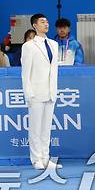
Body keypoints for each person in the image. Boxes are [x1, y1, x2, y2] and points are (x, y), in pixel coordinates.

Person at [21, 13, 61, 170]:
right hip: (36, 92)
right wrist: (28, 93)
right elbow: (26, 72)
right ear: (34, 26)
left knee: (46, 128)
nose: (46, 24)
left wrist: (54, 90)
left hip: (50, 91)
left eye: (47, 21)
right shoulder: (29, 46)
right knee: (36, 127)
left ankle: (46, 157)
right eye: (42, 22)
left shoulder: (53, 44)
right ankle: (36, 158)